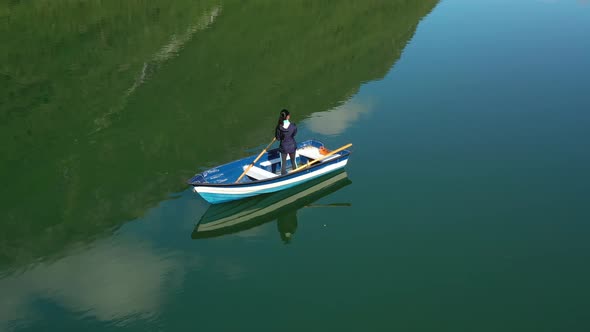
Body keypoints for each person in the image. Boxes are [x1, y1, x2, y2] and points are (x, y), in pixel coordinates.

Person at [275, 109, 298, 175]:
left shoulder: (279, 127)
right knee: (293, 162)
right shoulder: (293, 126)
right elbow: (294, 134)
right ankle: (296, 174)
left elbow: (278, 138)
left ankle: (283, 177)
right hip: (292, 145)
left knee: (283, 164)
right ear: (288, 116)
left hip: (283, 147)